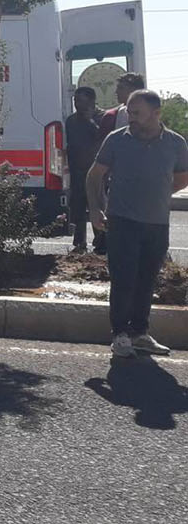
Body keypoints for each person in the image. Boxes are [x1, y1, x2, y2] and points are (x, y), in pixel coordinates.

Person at [87, 89, 188, 358]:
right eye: (129, 112)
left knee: (147, 281)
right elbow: (94, 176)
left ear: (156, 114)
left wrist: (158, 193)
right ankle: (120, 334)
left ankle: (140, 334)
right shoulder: (116, 140)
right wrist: (95, 209)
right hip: (122, 222)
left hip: (157, 223)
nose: (130, 118)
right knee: (124, 280)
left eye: (137, 113)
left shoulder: (176, 143)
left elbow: (182, 178)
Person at [92, 72, 146, 254]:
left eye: (121, 88)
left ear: (134, 90)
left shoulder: (154, 115)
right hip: (117, 181)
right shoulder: (113, 116)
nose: (116, 93)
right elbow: (103, 153)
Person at [64, 86, 101, 253]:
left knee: (97, 207)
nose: (77, 104)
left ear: (92, 101)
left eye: (81, 101)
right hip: (77, 172)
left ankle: (101, 243)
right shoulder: (71, 121)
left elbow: (104, 139)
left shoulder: (102, 117)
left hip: (96, 173)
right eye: (75, 101)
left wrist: (90, 121)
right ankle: (79, 243)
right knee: (78, 208)